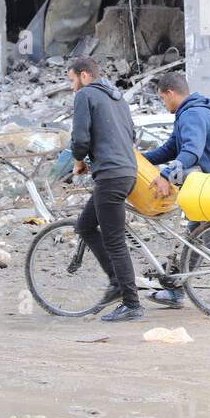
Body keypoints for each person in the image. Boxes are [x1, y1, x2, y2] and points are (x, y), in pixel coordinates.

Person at [143, 72, 210, 311]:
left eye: (162, 99)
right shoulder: (189, 114)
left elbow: (191, 152)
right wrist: (140, 159)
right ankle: (175, 290)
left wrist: (166, 175)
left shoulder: (193, 115)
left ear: (170, 93)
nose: (163, 104)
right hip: (207, 187)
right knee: (193, 241)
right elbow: (171, 148)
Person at [67, 56, 144, 323]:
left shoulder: (85, 95)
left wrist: (79, 161)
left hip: (110, 175)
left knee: (114, 240)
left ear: (84, 75)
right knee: (85, 225)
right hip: (129, 172)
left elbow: (80, 138)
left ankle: (132, 303)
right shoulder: (117, 97)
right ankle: (115, 283)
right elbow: (131, 134)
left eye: (72, 79)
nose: (72, 87)